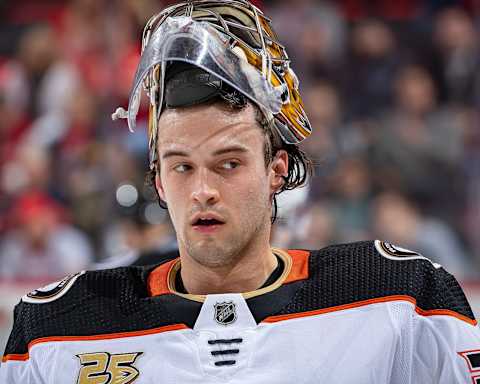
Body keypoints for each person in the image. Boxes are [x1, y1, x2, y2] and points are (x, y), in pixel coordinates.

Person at [2, 1, 480, 383]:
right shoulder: (57, 330)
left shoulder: (399, 299)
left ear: (276, 170)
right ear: (160, 182)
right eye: (182, 166)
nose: (203, 190)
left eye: (228, 164)